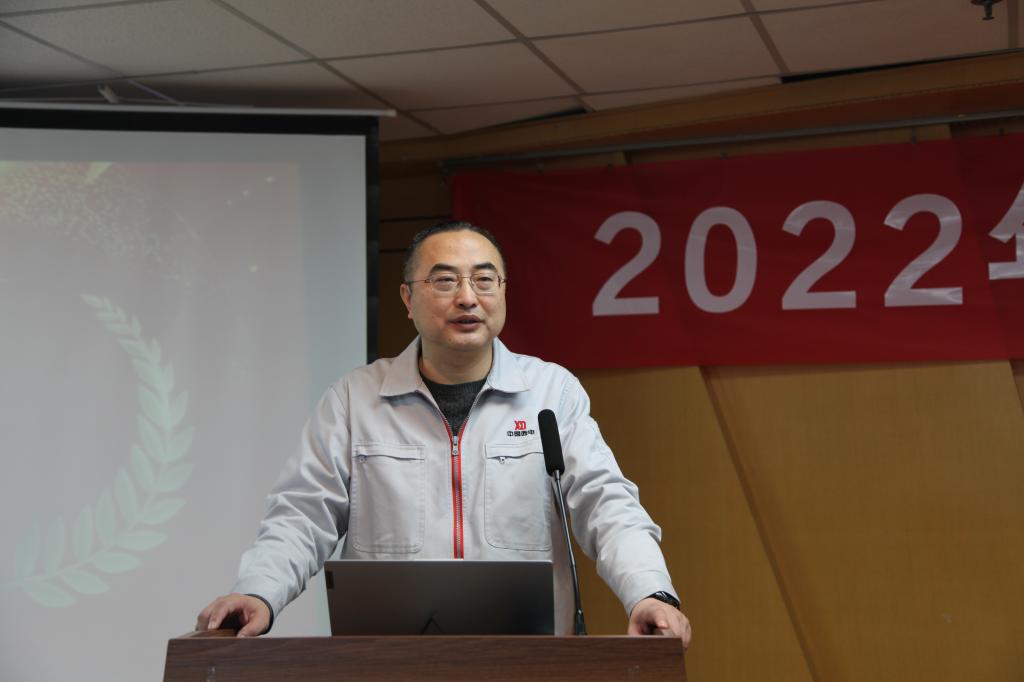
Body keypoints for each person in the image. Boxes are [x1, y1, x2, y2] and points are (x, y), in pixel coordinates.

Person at [196, 221, 691, 646]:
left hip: (526, 660)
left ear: (503, 292)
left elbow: (606, 504)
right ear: (408, 298)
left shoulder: (550, 394)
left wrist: (649, 592)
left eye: (484, 280)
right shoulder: (354, 400)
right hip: (387, 663)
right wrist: (258, 591)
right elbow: (302, 515)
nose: (468, 297)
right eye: (445, 280)